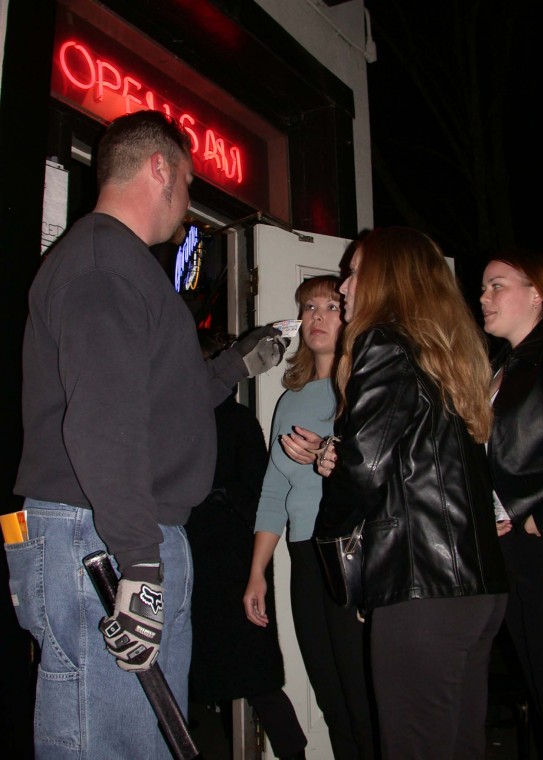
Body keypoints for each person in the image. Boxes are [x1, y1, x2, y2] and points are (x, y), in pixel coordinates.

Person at [6, 110, 287, 760]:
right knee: (112, 745)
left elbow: (156, 400)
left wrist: (236, 363)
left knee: (139, 741)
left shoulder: (121, 268)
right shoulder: (106, 265)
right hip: (101, 539)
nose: (188, 205)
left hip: (116, 535)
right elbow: (103, 422)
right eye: (188, 183)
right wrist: (139, 564)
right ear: (160, 168)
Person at [315, 227, 508, 760]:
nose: (342, 286)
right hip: (474, 588)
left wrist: (331, 546)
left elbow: (365, 468)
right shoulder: (448, 356)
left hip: (421, 586)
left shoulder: (385, 343)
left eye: (354, 272)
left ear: (386, 278)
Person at [243, 275, 377, 760]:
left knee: (363, 694)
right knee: (328, 692)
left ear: (350, 315)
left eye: (331, 306)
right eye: (308, 307)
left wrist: (331, 452)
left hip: (352, 552)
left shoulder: (362, 389)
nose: (318, 316)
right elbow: (274, 490)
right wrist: (257, 571)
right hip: (304, 557)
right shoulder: (290, 399)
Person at [186, 330, 307, 760]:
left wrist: (212, 497)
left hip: (233, 560)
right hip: (203, 558)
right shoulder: (183, 419)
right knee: (207, 670)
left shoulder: (235, 421)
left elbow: (258, 493)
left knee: (253, 676)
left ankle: (294, 751)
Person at [480, 248, 543, 759]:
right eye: (483, 287)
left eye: (497, 285)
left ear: (537, 294)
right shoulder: (502, 370)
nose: (483, 296)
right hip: (518, 556)